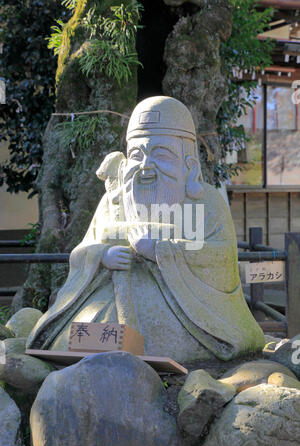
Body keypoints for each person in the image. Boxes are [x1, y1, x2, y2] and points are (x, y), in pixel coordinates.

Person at [27, 96, 265, 362]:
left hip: (183, 313)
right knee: (79, 337)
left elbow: (220, 259)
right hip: (108, 302)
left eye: (161, 155)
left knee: (168, 344)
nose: (146, 167)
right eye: (137, 155)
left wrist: (159, 251)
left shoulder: (206, 203)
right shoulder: (112, 202)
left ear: (190, 167)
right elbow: (83, 249)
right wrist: (102, 256)